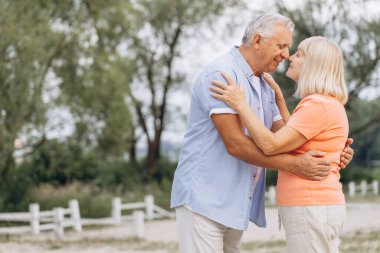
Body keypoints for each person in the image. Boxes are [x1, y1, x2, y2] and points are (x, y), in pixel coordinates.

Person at [171, 13, 353, 253]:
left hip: (234, 200)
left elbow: (286, 137)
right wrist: (295, 165)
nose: (286, 55)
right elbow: (236, 144)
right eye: (281, 46)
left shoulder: (265, 85)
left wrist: (331, 149)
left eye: (290, 48)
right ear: (257, 40)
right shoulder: (221, 75)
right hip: (204, 197)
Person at [210, 36, 350, 252]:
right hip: (319, 205)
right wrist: (280, 101)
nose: (291, 57)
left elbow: (271, 144)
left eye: (299, 54)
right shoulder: (326, 103)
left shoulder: (317, 105)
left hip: (310, 205)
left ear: (314, 65)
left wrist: (241, 104)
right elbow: (293, 141)